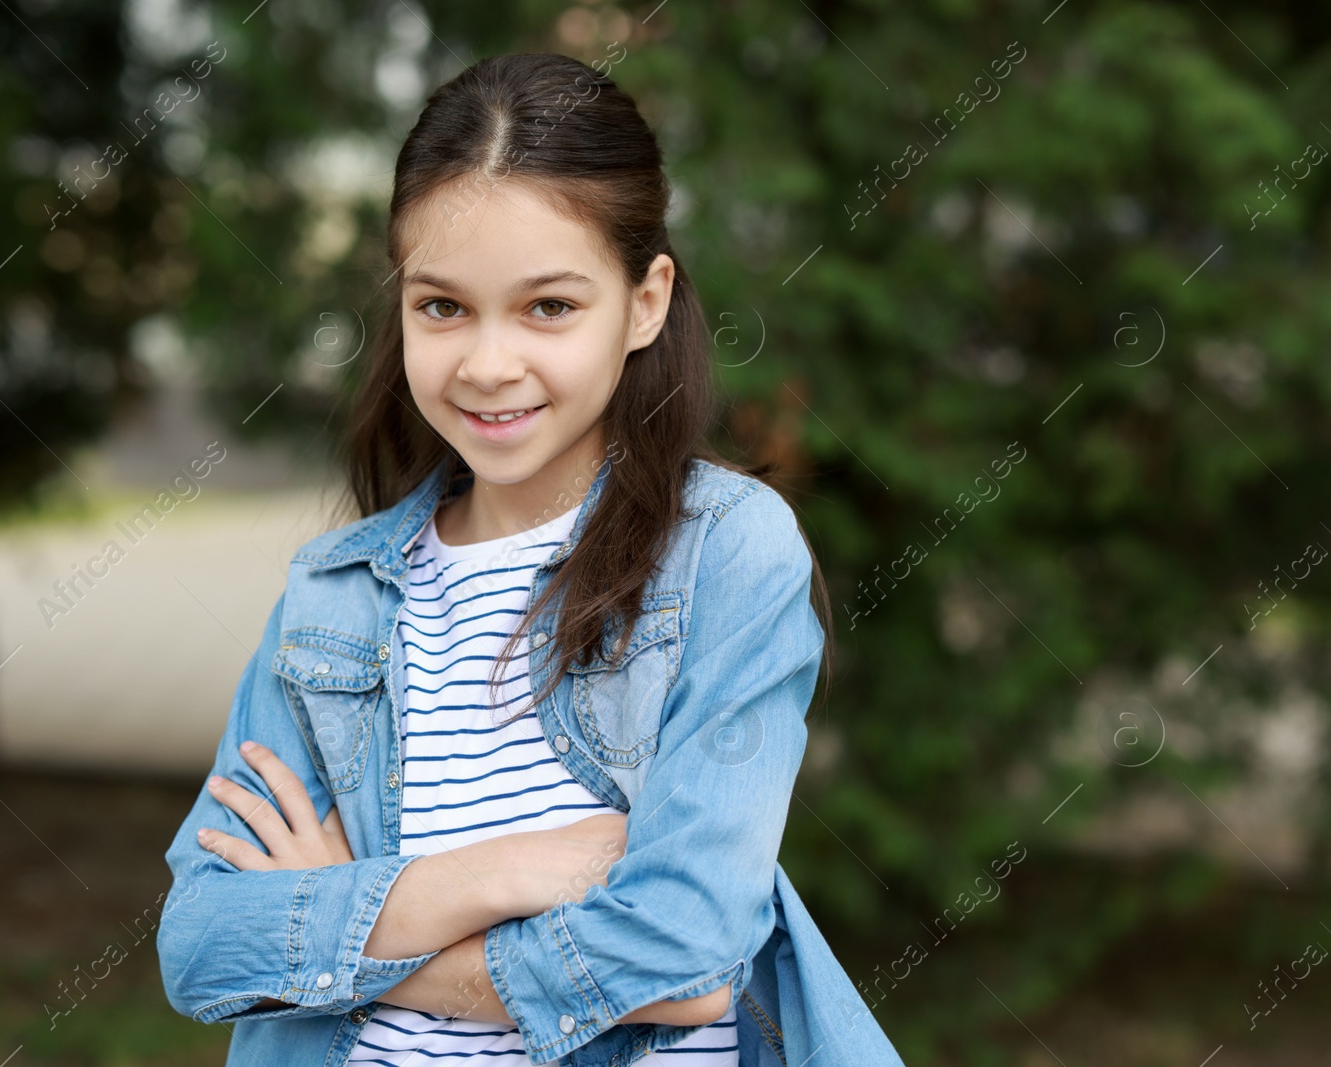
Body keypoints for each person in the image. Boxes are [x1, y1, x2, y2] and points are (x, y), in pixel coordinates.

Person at [155, 51, 905, 1067]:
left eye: (548, 306)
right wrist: (497, 873)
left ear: (644, 302)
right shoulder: (334, 594)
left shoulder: (724, 549)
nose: (487, 362)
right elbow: (198, 944)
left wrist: (340, 931)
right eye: (442, 305)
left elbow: (683, 960)